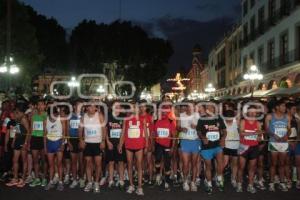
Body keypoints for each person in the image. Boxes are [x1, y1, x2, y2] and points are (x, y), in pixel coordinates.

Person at [118, 102, 148, 196]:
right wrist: (120, 144)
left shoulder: (143, 119)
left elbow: (146, 134)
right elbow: (123, 132)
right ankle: (131, 185)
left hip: (139, 145)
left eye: (136, 108)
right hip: (128, 145)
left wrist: (146, 145)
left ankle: (139, 187)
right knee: (129, 164)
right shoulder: (126, 119)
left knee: (139, 165)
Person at [197, 103, 226, 194]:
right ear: (206, 110)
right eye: (209, 108)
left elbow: (224, 131)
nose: (211, 109)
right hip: (206, 147)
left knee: (220, 164)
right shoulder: (202, 119)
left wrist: (223, 139)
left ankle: (219, 179)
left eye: (212, 108)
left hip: (217, 146)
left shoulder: (218, 118)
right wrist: (203, 137)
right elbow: (198, 131)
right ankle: (209, 184)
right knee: (208, 166)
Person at [79, 102, 106, 193]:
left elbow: (104, 129)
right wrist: (81, 140)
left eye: (94, 106)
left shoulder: (99, 116)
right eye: (90, 106)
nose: (92, 108)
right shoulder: (84, 117)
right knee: (88, 163)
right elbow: (80, 129)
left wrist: (103, 141)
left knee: (98, 164)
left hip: (97, 143)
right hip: (88, 143)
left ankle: (96, 182)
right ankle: (90, 182)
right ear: (87, 108)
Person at [265, 100, 291, 192]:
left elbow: (289, 129)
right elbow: (266, 129)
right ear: (277, 107)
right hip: (273, 142)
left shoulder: (287, 117)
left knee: (282, 163)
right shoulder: (269, 116)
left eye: (285, 106)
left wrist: (286, 135)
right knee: (273, 163)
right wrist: (273, 135)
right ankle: (271, 183)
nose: (285, 108)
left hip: (284, 142)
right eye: (283, 106)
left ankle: (282, 182)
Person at [236, 106, 262, 193]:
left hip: (254, 147)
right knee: (241, 167)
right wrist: (255, 133)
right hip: (243, 146)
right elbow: (241, 133)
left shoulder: (258, 123)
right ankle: (239, 184)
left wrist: (259, 137)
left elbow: (260, 136)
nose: (252, 113)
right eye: (250, 112)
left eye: (254, 112)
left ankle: (250, 185)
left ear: (256, 113)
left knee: (252, 168)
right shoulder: (243, 121)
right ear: (247, 113)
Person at [5, 103, 30, 187]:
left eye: (16, 111)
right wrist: (14, 141)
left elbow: (29, 132)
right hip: (17, 141)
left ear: (20, 111)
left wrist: (26, 143)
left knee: (24, 160)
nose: (15, 112)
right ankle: (15, 178)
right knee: (14, 160)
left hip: (23, 142)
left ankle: (23, 179)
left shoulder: (24, 118)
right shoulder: (17, 118)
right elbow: (17, 131)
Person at [153, 103, 176, 191]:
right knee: (157, 160)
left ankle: (167, 182)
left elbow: (174, 136)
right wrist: (152, 144)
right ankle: (158, 174)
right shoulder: (156, 121)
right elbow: (154, 134)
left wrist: (173, 147)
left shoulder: (171, 121)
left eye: (165, 112)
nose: (163, 113)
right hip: (158, 144)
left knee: (167, 164)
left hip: (167, 145)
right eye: (162, 112)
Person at [178, 101, 200, 192]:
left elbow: (201, 127)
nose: (192, 108)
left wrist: (196, 127)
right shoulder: (181, 115)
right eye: (190, 106)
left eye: (193, 106)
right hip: (185, 141)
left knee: (194, 163)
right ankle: (185, 181)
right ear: (187, 107)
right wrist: (182, 128)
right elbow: (178, 127)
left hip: (195, 141)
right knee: (186, 164)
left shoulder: (197, 115)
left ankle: (193, 182)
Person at [44, 106, 66, 191]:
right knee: (51, 164)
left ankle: (60, 182)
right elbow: (44, 135)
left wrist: (63, 144)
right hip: (50, 143)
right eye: (54, 114)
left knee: (59, 163)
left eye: (56, 114)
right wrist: (45, 147)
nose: (56, 115)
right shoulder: (46, 120)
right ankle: (51, 181)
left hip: (59, 142)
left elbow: (64, 132)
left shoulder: (61, 119)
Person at [106, 101, 126, 189]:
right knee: (111, 162)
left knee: (121, 162)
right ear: (112, 107)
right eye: (115, 105)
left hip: (120, 143)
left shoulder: (123, 117)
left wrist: (121, 144)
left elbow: (123, 131)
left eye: (119, 106)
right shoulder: (108, 116)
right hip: (110, 143)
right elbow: (105, 130)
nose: (117, 107)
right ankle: (110, 180)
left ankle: (121, 180)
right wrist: (107, 141)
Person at [29, 100, 48, 187]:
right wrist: (29, 141)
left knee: (44, 160)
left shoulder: (46, 115)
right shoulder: (33, 115)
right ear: (37, 106)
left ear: (45, 106)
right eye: (39, 105)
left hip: (43, 139)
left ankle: (44, 178)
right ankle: (37, 178)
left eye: (42, 105)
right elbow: (31, 129)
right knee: (35, 160)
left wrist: (45, 142)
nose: (40, 106)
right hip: (34, 138)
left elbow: (45, 130)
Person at [68, 100, 85, 189]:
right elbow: (66, 129)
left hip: (81, 140)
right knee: (73, 162)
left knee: (81, 161)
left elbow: (86, 129)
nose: (80, 107)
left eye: (81, 106)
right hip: (72, 140)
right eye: (78, 106)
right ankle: (74, 180)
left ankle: (82, 179)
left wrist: (82, 141)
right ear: (74, 107)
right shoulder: (70, 116)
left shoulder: (84, 116)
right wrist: (68, 142)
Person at [222, 109, 239, 188]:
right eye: (227, 118)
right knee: (224, 163)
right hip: (226, 145)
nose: (229, 119)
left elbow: (239, 114)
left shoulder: (236, 121)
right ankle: (219, 176)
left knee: (234, 163)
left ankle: (233, 178)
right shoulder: (223, 122)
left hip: (235, 145)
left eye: (231, 118)